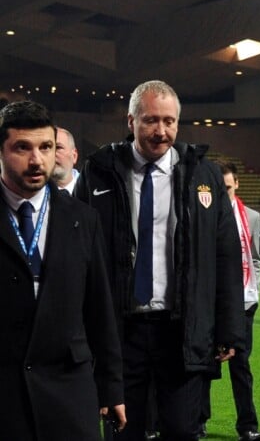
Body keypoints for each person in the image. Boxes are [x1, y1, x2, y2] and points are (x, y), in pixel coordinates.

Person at [74, 80, 245, 441]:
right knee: (124, 431)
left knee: (183, 431)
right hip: (120, 329)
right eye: (151, 120)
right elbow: (77, 252)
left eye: (169, 121)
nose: (161, 131)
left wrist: (230, 326)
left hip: (180, 328)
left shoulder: (206, 175)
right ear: (131, 120)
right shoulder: (98, 171)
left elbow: (226, 252)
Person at [0, 100, 126, 440]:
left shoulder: (83, 219)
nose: (36, 160)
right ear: (1, 150)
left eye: (46, 147)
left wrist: (112, 387)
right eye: (22, 148)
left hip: (70, 391)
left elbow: (100, 308)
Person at [198, 161, 260, 441]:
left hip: (243, 303)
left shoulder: (251, 216)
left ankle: (247, 427)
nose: (224, 193)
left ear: (237, 185)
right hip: (211, 303)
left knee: (241, 365)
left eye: (227, 188)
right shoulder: (206, 215)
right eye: (220, 188)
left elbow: (254, 255)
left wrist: (254, 288)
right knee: (204, 363)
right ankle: (199, 420)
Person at [51, 126, 79, 193]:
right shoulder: (27, 192)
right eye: (46, 148)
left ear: (74, 156)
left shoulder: (91, 189)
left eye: (58, 147)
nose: (51, 154)